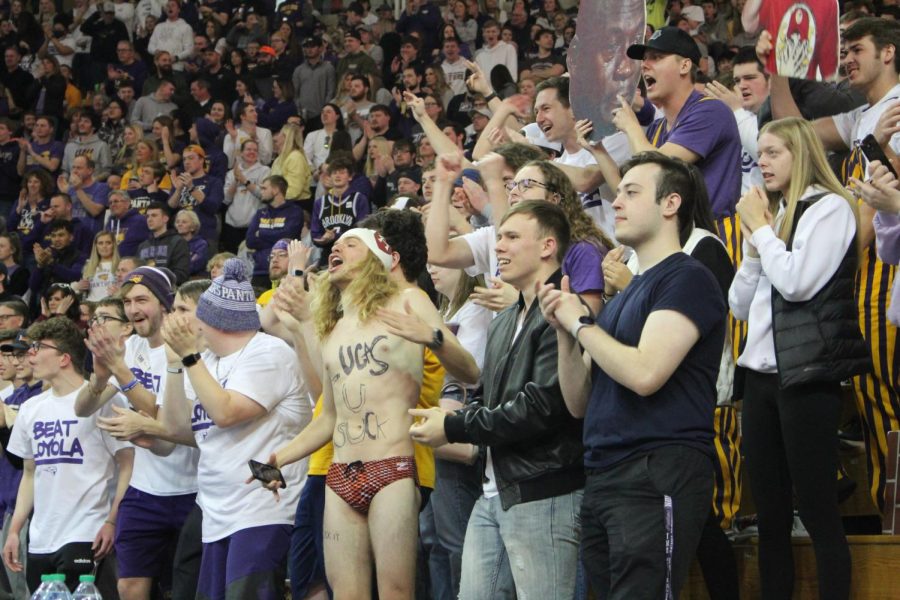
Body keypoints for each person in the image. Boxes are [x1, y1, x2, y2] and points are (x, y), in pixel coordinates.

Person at [536, 152, 727, 598]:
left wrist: (582, 324)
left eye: (631, 192)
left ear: (671, 204)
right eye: (617, 193)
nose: (616, 201)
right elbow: (578, 401)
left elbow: (645, 373)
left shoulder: (688, 278)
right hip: (604, 473)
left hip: (656, 468)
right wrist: (566, 334)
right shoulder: (625, 295)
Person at [260, 225, 472, 599]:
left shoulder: (409, 301)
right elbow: (328, 417)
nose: (337, 249)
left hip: (391, 468)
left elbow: (470, 372)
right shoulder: (334, 327)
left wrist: (432, 337)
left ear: (381, 257)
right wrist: (280, 457)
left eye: (350, 244)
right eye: (336, 246)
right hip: (339, 475)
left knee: (395, 593)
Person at [728, 118, 868, 599]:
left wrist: (763, 234)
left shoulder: (830, 208)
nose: (761, 162)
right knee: (768, 513)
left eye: (772, 153)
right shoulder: (777, 213)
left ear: (800, 153)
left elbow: (798, 282)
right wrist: (752, 248)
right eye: (760, 153)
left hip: (807, 375)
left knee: (816, 507)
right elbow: (739, 306)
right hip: (761, 378)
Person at [157, 258, 311, 598]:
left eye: (184, 309)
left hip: (262, 507)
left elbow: (226, 413)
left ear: (212, 318)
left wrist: (188, 359)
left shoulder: (267, 353)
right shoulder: (206, 360)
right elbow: (172, 428)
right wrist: (174, 366)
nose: (173, 318)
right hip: (215, 509)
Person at [76, 266, 201, 600]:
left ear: (164, 303)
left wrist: (121, 372)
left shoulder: (188, 348)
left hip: (192, 488)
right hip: (144, 491)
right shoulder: (129, 348)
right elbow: (82, 408)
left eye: (142, 299)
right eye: (128, 301)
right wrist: (101, 377)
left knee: (182, 589)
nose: (133, 309)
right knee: (129, 587)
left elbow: (170, 422)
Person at [2, 317, 134, 594]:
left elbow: (127, 466)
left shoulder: (104, 400)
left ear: (64, 358)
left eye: (38, 347)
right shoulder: (30, 408)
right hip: (40, 537)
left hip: (87, 531)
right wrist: (15, 530)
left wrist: (112, 520)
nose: (30, 354)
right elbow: (29, 474)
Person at [245, 176, 303, 289]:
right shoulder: (260, 213)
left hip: (286, 273)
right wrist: (277, 235)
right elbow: (250, 241)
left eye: (264, 188)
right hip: (260, 272)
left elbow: (288, 237)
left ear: (276, 190)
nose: (261, 191)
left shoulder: (295, 212)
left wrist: (261, 233)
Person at [167, 145, 223, 252]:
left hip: (204, 235)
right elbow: (170, 207)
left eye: (191, 158)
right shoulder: (180, 181)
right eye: (184, 159)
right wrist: (178, 190)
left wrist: (192, 188)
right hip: (180, 237)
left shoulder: (214, 182)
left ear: (202, 160)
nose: (186, 162)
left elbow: (212, 207)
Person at [222, 139, 270, 254]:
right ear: (241, 152)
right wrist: (236, 180)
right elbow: (226, 200)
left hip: (253, 226)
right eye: (248, 149)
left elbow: (263, 195)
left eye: (255, 150)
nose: (252, 152)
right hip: (232, 225)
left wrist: (244, 180)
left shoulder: (265, 171)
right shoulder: (231, 173)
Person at [138, 202, 190, 284]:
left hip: (168, 291)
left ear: (165, 219)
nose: (149, 219)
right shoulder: (142, 245)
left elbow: (181, 275)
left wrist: (155, 281)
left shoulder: (178, 242)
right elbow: (136, 273)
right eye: (147, 216)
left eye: (154, 215)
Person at [270, 123, 312, 205]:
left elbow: (294, 190)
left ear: (286, 137)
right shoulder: (279, 159)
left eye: (281, 133)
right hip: (280, 202)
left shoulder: (295, 157)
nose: (277, 137)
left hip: (295, 205)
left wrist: (273, 197)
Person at [106, 191, 151, 257]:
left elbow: (147, 244)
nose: (112, 205)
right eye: (110, 203)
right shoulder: (110, 223)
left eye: (116, 201)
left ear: (127, 203)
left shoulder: (140, 221)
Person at [78, 231, 120, 302]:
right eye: (100, 243)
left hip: (112, 306)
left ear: (114, 245)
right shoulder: (88, 266)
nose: (104, 246)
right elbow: (83, 290)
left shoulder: (121, 264)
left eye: (108, 243)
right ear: (96, 246)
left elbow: (130, 285)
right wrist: (80, 288)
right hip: (91, 306)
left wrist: (120, 293)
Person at [174, 210, 208, 277]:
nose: (179, 224)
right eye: (177, 222)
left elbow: (195, 265)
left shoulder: (201, 244)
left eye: (184, 222)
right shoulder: (173, 243)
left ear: (193, 227)